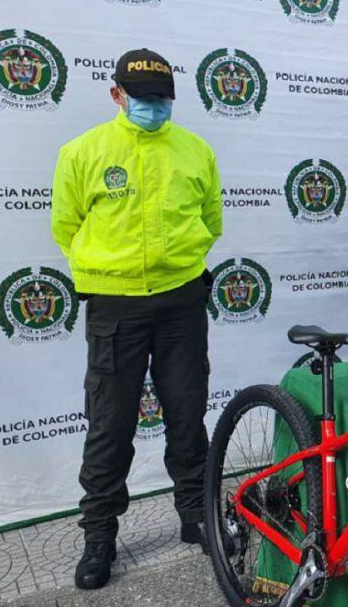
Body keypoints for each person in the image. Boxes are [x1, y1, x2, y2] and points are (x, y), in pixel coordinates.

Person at [50, 49, 222, 590]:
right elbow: (66, 226)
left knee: (187, 413)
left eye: (162, 100)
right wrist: (114, 269)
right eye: (142, 99)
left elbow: (210, 221)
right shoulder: (83, 151)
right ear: (116, 95)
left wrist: (177, 264)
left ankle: (197, 517)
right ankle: (99, 537)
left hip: (180, 301)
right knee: (110, 424)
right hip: (115, 306)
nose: (153, 108)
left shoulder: (195, 151)